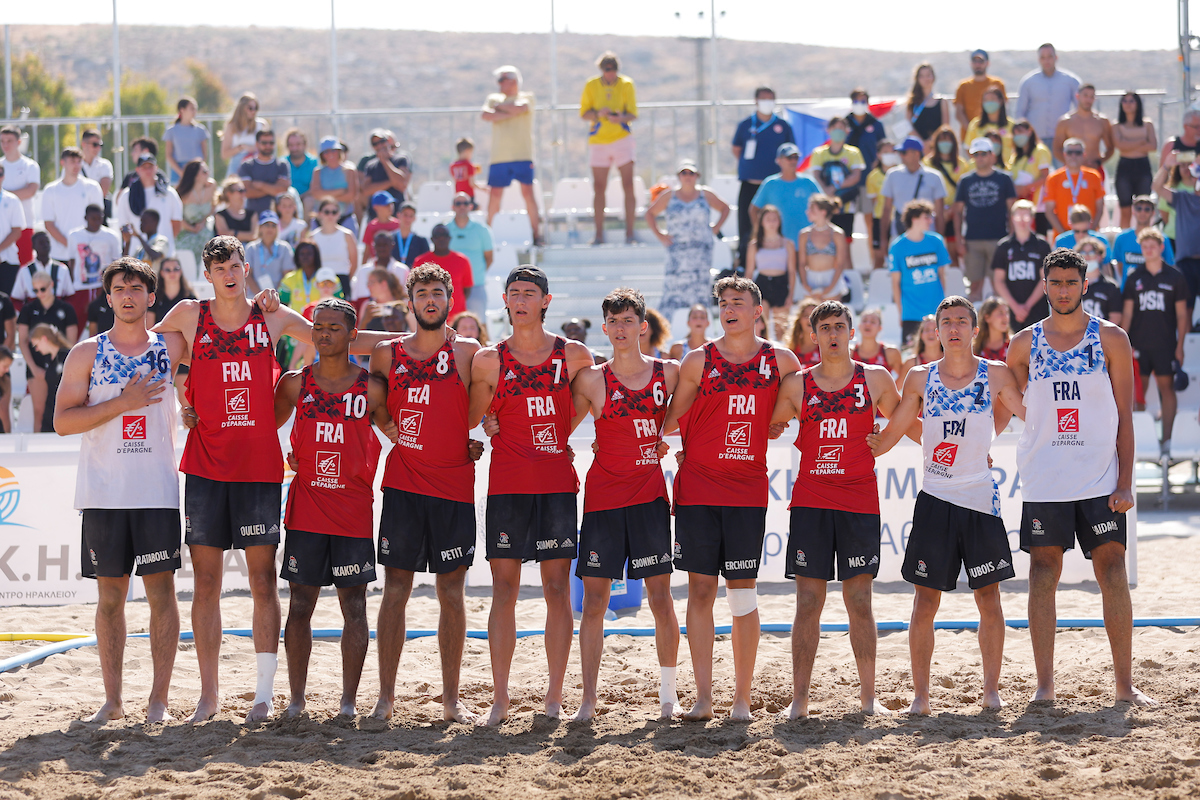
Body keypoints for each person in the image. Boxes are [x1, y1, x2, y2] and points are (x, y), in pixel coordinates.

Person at [152, 235, 388, 723]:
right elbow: (146, 346)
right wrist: (183, 394)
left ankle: (263, 694)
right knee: (206, 585)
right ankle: (209, 695)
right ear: (208, 273)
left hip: (259, 470)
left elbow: (337, 337)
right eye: (218, 268)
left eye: (234, 264)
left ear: (246, 265)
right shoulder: (188, 315)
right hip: (205, 467)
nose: (228, 273)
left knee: (263, 581)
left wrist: (406, 343)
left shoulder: (273, 316)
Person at [1006, 248, 1155, 707]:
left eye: (1072, 282)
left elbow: (1124, 418)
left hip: (1099, 477)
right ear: (1044, 286)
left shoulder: (1111, 338)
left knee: (1111, 571)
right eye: (1056, 282)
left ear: (1084, 285)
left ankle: (1125, 685)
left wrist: (1125, 482)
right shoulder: (1023, 344)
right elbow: (1005, 402)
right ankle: (1045, 686)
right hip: (1046, 478)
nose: (1064, 289)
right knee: (1042, 574)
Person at [868, 295, 1024, 713]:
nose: (953, 328)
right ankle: (921, 697)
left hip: (980, 499)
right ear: (935, 331)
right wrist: (859, 442)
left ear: (975, 330)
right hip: (935, 498)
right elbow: (892, 433)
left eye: (961, 321)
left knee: (988, 598)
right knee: (925, 600)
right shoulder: (920, 378)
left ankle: (991, 691)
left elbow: (1026, 413)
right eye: (946, 322)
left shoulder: (995, 373)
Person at [53, 257, 187, 722]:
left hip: (156, 493)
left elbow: (229, 317)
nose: (127, 295)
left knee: (161, 596)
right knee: (110, 599)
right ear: (108, 297)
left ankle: (159, 701)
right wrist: (123, 403)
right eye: (119, 288)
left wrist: (265, 299)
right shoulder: (86, 353)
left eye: (136, 288)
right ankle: (112, 702)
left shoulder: (171, 345)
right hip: (105, 494)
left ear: (152, 297)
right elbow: (62, 422)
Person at [662, 276, 802, 720]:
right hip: (698, 489)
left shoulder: (781, 361)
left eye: (738, 302)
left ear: (758, 310)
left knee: (743, 595)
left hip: (746, 491)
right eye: (723, 302)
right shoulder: (698, 360)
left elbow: (789, 415)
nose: (728, 309)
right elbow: (668, 419)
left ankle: (741, 700)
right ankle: (704, 698)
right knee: (700, 592)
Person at [468, 265, 596, 724]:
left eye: (529, 293)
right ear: (504, 300)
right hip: (507, 486)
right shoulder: (489, 359)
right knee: (504, 589)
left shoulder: (574, 354)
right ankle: (500, 698)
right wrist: (485, 422)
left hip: (556, 486)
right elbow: (466, 414)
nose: (520, 299)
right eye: (513, 292)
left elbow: (600, 395)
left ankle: (554, 697)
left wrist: (565, 429)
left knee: (557, 589)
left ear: (545, 300)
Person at [364, 264, 483, 723]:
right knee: (396, 589)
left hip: (454, 486)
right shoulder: (386, 353)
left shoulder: (469, 352)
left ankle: (451, 700)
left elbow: (494, 397)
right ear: (409, 302)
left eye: (438, 292)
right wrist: (384, 422)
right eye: (421, 293)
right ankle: (386, 697)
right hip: (404, 487)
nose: (430, 300)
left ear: (450, 300)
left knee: (452, 593)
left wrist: (480, 430)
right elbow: (371, 401)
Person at [770, 300, 901, 719]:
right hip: (811, 501)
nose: (832, 333)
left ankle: (868, 698)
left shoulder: (875, 378)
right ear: (813, 336)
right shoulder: (796, 386)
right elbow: (763, 425)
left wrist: (971, 451)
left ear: (851, 332)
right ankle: (800, 700)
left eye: (839, 326)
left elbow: (909, 421)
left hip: (858, 501)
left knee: (859, 599)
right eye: (824, 327)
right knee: (808, 602)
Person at [568, 288, 682, 723]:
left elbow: (697, 407)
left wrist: (671, 438)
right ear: (604, 328)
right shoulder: (592, 380)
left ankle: (668, 696)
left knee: (660, 598)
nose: (620, 328)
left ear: (642, 326)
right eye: (613, 322)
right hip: (603, 501)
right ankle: (589, 701)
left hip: (649, 498)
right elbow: (556, 426)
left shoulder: (668, 373)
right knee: (594, 603)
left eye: (627, 320)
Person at [275, 298, 388, 718]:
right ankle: (297, 700)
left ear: (352, 334)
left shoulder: (372, 388)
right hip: (306, 510)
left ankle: (347, 702)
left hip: (353, 512)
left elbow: (405, 429)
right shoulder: (293, 383)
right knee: (300, 606)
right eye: (318, 326)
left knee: (353, 607)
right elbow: (259, 427)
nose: (323, 333)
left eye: (334, 327)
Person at [1121, 228, 1188, 457]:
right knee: (1137, 393)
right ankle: (1139, 439)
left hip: (1165, 344)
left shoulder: (1175, 277)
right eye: (1145, 246)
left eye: (1153, 245)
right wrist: (1124, 343)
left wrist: (1180, 346)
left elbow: (1181, 315)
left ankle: (1167, 440)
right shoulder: (1134, 278)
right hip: (1139, 344)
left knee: (1166, 389)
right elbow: (1127, 314)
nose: (1149, 250)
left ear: (1161, 248)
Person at [646, 160, 730, 317]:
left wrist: (715, 228)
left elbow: (725, 208)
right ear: (678, 176)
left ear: (697, 175)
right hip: (677, 252)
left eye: (691, 173)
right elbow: (650, 213)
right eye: (684, 173)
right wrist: (660, 235)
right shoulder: (669, 196)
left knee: (700, 289)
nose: (688, 176)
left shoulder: (706, 194)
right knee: (673, 289)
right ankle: (668, 327)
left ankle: (700, 324)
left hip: (701, 253)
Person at [733, 87, 796, 268]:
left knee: (775, 224)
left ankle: (778, 264)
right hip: (750, 184)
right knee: (747, 227)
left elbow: (791, 150)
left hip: (775, 187)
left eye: (771, 99)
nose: (767, 102)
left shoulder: (783, 126)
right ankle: (745, 264)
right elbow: (737, 149)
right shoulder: (745, 125)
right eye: (763, 99)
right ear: (756, 101)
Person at [581, 52, 639, 245]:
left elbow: (633, 114)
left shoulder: (627, 84)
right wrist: (599, 114)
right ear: (601, 70)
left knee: (628, 185)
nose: (610, 73)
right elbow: (584, 114)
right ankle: (598, 234)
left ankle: (630, 233)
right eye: (607, 70)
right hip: (599, 141)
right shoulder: (591, 85)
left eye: (613, 69)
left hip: (621, 138)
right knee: (598, 187)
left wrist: (619, 118)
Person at [482, 66, 542, 245]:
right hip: (499, 156)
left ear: (514, 81)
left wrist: (499, 109)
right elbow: (486, 115)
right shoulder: (493, 98)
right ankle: (488, 238)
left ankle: (536, 235)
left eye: (502, 80)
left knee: (528, 192)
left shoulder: (526, 97)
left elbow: (521, 108)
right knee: (495, 194)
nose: (499, 84)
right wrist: (509, 110)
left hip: (523, 153)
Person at [954, 139, 1018, 300]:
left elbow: (1013, 210)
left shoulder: (1004, 179)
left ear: (992, 155)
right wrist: (959, 239)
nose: (980, 157)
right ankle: (974, 322)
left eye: (983, 154)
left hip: (999, 239)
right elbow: (958, 212)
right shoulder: (965, 181)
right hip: (972, 240)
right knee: (974, 285)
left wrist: (1012, 237)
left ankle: (999, 322)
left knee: (999, 284)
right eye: (976, 154)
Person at [18, 269, 78, 432]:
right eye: (35, 290)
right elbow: (22, 341)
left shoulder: (66, 308)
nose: (39, 293)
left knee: (61, 409)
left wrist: (62, 364)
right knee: (40, 412)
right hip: (36, 365)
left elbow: (71, 343)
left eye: (42, 289)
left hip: (60, 366)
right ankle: (38, 453)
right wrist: (34, 368)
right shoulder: (28, 310)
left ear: (52, 285)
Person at [890, 200, 950, 344]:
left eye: (931, 217)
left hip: (936, 311)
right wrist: (900, 311)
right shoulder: (898, 246)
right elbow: (895, 282)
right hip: (911, 312)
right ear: (914, 218)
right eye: (926, 217)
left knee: (940, 355)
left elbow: (942, 276)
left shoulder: (936, 241)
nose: (931, 221)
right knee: (910, 356)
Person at [992, 201, 1052, 332]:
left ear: (1032, 218)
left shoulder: (1042, 245)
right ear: (1012, 218)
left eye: (1026, 216)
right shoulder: (1004, 246)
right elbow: (998, 280)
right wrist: (1015, 307)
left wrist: (1027, 306)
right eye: (1018, 216)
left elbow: (1045, 278)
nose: (1022, 221)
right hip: (1011, 311)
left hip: (1037, 309)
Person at [750, 143, 822, 251]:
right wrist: (762, 234)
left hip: (807, 244)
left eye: (796, 157)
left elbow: (824, 207)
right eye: (789, 157)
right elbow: (753, 210)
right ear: (779, 160)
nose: (793, 161)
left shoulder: (808, 182)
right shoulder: (770, 183)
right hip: (779, 246)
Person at [1015, 44, 1081, 159]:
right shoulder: (1028, 82)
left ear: (1056, 57)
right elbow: (1020, 113)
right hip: (1036, 141)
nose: (1046, 61)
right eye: (1043, 57)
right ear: (1038, 59)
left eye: (1049, 56)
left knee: (1062, 175)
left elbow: (1080, 110)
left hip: (1062, 141)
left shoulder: (1071, 81)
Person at [809, 117, 865, 253]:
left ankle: (847, 272)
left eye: (841, 128)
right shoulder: (818, 153)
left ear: (847, 131)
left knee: (845, 245)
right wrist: (826, 191)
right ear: (828, 131)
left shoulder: (853, 153)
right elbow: (816, 175)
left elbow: (856, 176)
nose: (838, 131)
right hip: (824, 207)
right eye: (835, 128)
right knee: (826, 242)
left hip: (846, 205)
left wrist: (835, 188)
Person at [41, 147, 104, 266]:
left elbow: (97, 220)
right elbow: (49, 224)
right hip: (59, 254)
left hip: (88, 254)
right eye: (72, 161)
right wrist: (71, 245)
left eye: (79, 161)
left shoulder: (92, 187)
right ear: (62, 163)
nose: (76, 165)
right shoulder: (50, 190)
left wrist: (82, 247)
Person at [880, 136, 947, 239]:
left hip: (927, 235)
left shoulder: (934, 177)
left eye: (904, 152)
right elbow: (887, 209)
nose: (900, 156)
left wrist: (940, 239)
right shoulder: (892, 175)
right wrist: (883, 240)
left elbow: (939, 212)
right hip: (899, 234)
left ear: (916, 154)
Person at [116, 154, 183, 258]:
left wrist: (162, 242)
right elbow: (123, 225)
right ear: (137, 170)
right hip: (136, 253)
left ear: (156, 168)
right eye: (144, 167)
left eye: (150, 167)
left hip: (163, 253)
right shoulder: (127, 195)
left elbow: (177, 223)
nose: (148, 171)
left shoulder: (169, 193)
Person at [746, 204, 796, 341]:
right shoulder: (754, 244)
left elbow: (792, 271)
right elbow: (749, 271)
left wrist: (791, 294)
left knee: (781, 328)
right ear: (761, 222)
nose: (771, 223)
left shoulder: (787, 244)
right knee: (762, 326)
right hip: (762, 283)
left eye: (775, 219)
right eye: (768, 219)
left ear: (779, 222)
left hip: (781, 283)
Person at [65, 204, 122, 318]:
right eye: (93, 219)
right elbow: (71, 261)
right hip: (80, 287)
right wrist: (72, 284)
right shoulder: (74, 235)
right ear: (86, 218)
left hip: (102, 287)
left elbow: (117, 261)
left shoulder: (111, 236)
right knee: (79, 321)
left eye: (99, 218)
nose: (96, 222)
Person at [1043, 139, 1105, 238]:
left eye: (1078, 153)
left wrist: (1088, 232)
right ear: (1064, 154)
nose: (1073, 156)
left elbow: (1100, 207)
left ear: (1084, 155)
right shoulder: (1053, 178)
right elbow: (1049, 210)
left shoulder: (1094, 176)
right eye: (1070, 152)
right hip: (1062, 236)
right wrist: (1064, 235)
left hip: (1088, 237)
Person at [1112, 93, 1158, 228]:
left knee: (1144, 207)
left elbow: (1153, 146)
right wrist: (1142, 142)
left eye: (1131, 101)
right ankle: (1124, 240)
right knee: (1125, 209)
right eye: (1124, 101)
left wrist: (1128, 143)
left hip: (1143, 167)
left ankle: (1146, 237)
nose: (1128, 104)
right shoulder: (1116, 125)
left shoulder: (1147, 124)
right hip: (1124, 167)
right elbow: (1120, 146)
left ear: (1138, 103)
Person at [448, 192, 494, 319]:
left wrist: (475, 274)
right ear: (453, 206)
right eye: (458, 203)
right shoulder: (445, 230)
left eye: (465, 203)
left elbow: (489, 257)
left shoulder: (482, 230)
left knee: (479, 324)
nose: (462, 206)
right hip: (452, 288)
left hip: (476, 285)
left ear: (471, 206)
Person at [1111, 196, 1177, 286]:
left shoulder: (1162, 239)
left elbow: (1169, 266)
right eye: (1139, 208)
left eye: (1147, 209)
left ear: (1153, 212)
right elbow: (1120, 267)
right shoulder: (1121, 238)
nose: (1142, 212)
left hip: (1155, 291)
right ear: (1133, 211)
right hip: (1129, 292)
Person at [796, 194, 850, 302]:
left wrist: (829, 288)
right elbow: (801, 263)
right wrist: (805, 284)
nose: (807, 212)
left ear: (823, 212)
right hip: (810, 280)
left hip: (832, 280)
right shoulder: (804, 234)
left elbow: (840, 264)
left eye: (812, 209)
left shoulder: (837, 234)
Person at [413, 224, 474, 319]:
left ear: (449, 238)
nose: (441, 239)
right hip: (430, 317)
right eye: (437, 236)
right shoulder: (420, 262)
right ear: (432, 239)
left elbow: (467, 289)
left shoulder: (462, 260)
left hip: (457, 317)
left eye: (444, 235)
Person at [1053, 85, 1114, 178]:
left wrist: (1099, 162)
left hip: (1095, 170)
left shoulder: (1102, 121)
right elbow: (1057, 149)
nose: (1088, 100)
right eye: (1085, 96)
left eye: (1091, 97)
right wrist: (1072, 163)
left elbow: (1110, 147)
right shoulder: (1065, 121)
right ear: (1077, 96)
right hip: (1072, 171)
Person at [925, 126, 969, 255]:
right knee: (933, 251)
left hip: (955, 214)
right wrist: (939, 211)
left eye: (948, 141)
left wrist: (952, 210)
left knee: (953, 252)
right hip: (933, 213)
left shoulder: (962, 164)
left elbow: (964, 191)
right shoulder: (927, 163)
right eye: (942, 140)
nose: (945, 144)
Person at [0, 125, 38, 267]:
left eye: (9, 140)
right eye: (2, 141)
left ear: (19, 142)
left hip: (24, 225)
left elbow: (30, 191)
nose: (5, 144)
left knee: (24, 269)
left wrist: (5, 196)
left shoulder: (30, 165)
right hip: (2, 228)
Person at [310, 196, 358, 298]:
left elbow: (354, 262)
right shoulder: (312, 236)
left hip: (342, 280)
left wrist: (345, 281)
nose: (330, 215)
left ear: (339, 214)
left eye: (334, 212)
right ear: (320, 214)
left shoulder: (347, 235)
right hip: (319, 283)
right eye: (327, 212)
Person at [358, 130, 411, 221]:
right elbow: (366, 190)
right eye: (375, 144)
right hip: (376, 217)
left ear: (388, 142)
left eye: (382, 142)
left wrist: (385, 162)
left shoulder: (401, 160)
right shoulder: (371, 165)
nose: (379, 146)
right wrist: (391, 182)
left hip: (397, 215)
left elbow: (402, 185)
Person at [237, 129, 290, 219]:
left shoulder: (282, 165)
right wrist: (272, 188)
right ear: (257, 144)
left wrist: (260, 185)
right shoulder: (247, 165)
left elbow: (282, 190)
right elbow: (247, 192)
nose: (268, 146)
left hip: (278, 218)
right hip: (252, 217)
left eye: (271, 143)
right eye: (264, 143)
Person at [14, 230, 75, 307]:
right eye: (41, 243)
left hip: (57, 315)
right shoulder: (25, 271)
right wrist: (27, 314)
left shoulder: (62, 269)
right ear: (33, 246)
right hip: (34, 316)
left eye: (47, 242)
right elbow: (16, 299)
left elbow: (70, 297)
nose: (45, 245)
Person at [954, 50, 1007, 138]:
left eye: (981, 61)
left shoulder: (997, 84)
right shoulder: (963, 86)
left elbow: (1003, 108)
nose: (978, 65)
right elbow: (959, 113)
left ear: (987, 63)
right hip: (969, 137)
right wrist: (974, 131)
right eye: (975, 62)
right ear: (971, 63)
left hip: (995, 138)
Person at [174, 160, 217, 268]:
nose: (208, 173)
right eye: (205, 171)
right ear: (196, 175)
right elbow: (177, 217)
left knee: (210, 244)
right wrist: (192, 229)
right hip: (186, 232)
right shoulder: (182, 193)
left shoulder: (211, 186)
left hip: (204, 229)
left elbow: (213, 206)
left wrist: (203, 222)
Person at [314, 138, 360, 235]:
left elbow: (351, 196)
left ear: (339, 152)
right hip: (322, 220)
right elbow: (316, 194)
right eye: (326, 151)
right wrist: (340, 191)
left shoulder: (349, 170)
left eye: (333, 150)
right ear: (322, 155)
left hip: (345, 218)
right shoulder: (317, 172)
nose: (330, 154)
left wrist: (326, 196)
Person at [866, 141, 899, 270]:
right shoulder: (873, 176)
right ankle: (877, 284)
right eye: (886, 152)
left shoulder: (901, 173)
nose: (889, 155)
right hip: (880, 218)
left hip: (898, 218)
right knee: (879, 255)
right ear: (879, 155)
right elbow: (874, 201)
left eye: (892, 151)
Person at [244, 211, 294, 293]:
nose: (270, 229)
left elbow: (287, 274)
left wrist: (274, 295)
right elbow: (248, 275)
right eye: (266, 225)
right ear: (260, 228)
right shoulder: (251, 248)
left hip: (278, 297)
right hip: (254, 297)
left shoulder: (284, 247)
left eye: (273, 226)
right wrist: (260, 295)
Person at [352, 232, 409, 303]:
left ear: (392, 245)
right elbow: (356, 298)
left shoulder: (402, 270)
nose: (382, 248)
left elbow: (406, 298)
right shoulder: (363, 271)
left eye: (385, 245)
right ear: (373, 246)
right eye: (378, 245)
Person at [1077, 238, 1123, 326]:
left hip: (1101, 336)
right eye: (1083, 253)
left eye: (1091, 253)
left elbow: (1115, 317)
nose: (1087, 257)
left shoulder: (1111, 287)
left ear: (1100, 256)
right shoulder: (1073, 284)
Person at [164, 97, 210, 185]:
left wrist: (198, 170)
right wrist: (181, 172)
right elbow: (168, 155)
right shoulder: (171, 131)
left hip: (197, 169)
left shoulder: (200, 130)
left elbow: (204, 154)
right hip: (178, 170)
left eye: (195, 109)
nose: (194, 111)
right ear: (182, 110)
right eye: (191, 108)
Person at [219, 93, 267, 178]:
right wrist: (241, 147)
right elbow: (224, 154)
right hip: (237, 165)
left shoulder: (261, 125)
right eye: (250, 108)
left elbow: (268, 147)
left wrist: (252, 148)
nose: (253, 111)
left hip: (257, 164)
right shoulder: (231, 127)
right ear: (242, 108)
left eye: (256, 108)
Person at [1008, 120, 1054, 209]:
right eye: (1015, 133)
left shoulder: (1040, 151)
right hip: (1019, 204)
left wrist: (1026, 188)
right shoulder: (1015, 156)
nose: (1017, 136)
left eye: (1020, 132)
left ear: (1029, 131)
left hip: (1038, 204)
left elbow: (1045, 176)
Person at [906, 63, 953, 147]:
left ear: (933, 77)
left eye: (928, 75)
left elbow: (945, 127)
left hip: (936, 147)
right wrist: (922, 144)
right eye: (922, 76)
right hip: (917, 148)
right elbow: (908, 126)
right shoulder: (912, 102)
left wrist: (931, 143)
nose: (925, 79)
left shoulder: (942, 102)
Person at [964, 86, 1014, 165]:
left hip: (1005, 169)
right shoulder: (975, 124)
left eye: (992, 99)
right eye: (986, 100)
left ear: (1001, 101)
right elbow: (968, 148)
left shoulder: (1011, 125)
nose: (989, 103)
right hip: (982, 170)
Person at [0, 162, 28, 294]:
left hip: (8, 260)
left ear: (3, 176)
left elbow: (17, 231)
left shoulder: (12, 200)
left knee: (6, 305)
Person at [852, 307, 902, 374]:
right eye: (864, 321)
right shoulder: (849, 353)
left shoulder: (890, 352)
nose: (868, 324)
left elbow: (903, 378)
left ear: (880, 328)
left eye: (873, 322)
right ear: (859, 326)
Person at [148, 257, 195, 326]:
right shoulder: (154, 298)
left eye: (176, 269)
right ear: (162, 273)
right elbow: (149, 329)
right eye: (167, 270)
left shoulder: (190, 298)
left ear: (181, 271)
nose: (172, 272)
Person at [280, 242, 324, 313]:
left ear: (316, 256)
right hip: (297, 322)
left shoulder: (328, 278)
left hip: (321, 322)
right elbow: (282, 305)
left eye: (309, 253)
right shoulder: (289, 279)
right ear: (297, 256)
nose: (305, 257)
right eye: (302, 254)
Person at [79, 129, 115, 217]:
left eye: (100, 145)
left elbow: (103, 191)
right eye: (95, 144)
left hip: (97, 213)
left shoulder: (105, 165)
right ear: (84, 144)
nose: (98, 148)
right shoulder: (74, 165)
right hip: (77, 211)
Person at [899, 314, 943, 384]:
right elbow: (898, 390)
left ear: (941, 334)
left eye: (935, 330)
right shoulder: (911, 363)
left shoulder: (950, 360)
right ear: (921, 335)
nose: (931, 333)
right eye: (927, 330)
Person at [213, 176, 257, 246]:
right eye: (240, 191)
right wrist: (246, 236)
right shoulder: (220, 215)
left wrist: (233, 233)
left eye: (244, 190)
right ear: (229, 194)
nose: (243, 194)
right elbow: (223, 236)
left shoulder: (252, 214)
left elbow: (254, 236)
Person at [360, 192, 401, 263]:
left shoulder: (399, 225)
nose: (390, 207)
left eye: (391, 204)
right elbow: (367, 251)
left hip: (395, 265)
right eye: (386, 205)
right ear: (376, 207)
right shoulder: (371, 226)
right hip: (377, 265)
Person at [282, 129, 319, 204]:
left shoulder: (314, 163)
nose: (294, 148)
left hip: (307, 198)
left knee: (309, 201)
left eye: (298, 144)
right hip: (286, 200)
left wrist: (299, 198)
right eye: (291, 145)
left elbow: (315, 187)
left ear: (305, 145)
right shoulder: (282, 163)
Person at [788, 297, 822, 368]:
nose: (810, 319)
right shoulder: (790, 351)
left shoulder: (827, 349)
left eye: (814, 316)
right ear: (799, 320)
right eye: (806, 315)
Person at [449, 138, 479, 207]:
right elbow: (472, 183)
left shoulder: (452, 166)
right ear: (467, 151)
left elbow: (455, 180)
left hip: (458, 196)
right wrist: (482, 188)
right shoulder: (469, 165)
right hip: (469, 196)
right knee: (476, 208)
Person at [0, 346, 13, 433]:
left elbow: (4, 410)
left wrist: (8, 436)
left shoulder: (5, 380)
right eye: (5, 366)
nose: (7, 370)